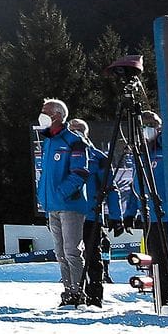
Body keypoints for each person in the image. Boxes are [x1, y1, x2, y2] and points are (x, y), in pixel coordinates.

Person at [35, 98, 90, 307]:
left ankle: (78, 292)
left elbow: (80, 172)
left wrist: (61, 193)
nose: (42, 115)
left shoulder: (73, 141)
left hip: (70, 205)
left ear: (57, 115)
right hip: (52, 206)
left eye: (46, 111)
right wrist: (44, 197)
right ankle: (68, 292)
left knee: (72, 251)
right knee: (60, 253)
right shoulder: (48, 141)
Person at [67, 118, 120, 307]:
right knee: (69, 255)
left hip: (91, 215)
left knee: (93, 256)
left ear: (85, 132)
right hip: (68, 214)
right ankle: (73, 293)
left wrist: (116, 216)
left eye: (78, 130)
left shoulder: (98, 157)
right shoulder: (63, 155)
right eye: (71, 130)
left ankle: (95, 296)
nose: (74, 133)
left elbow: (110, 188)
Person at [136, 111, 168, 307]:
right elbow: (136, 186)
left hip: (167, 215)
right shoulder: (143, 153)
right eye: (142, 126)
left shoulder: (165, 148)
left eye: (150, 125)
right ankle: (162, 297)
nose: (145, 129)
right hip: (150, 217)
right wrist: (130, 213)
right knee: (155, 259)